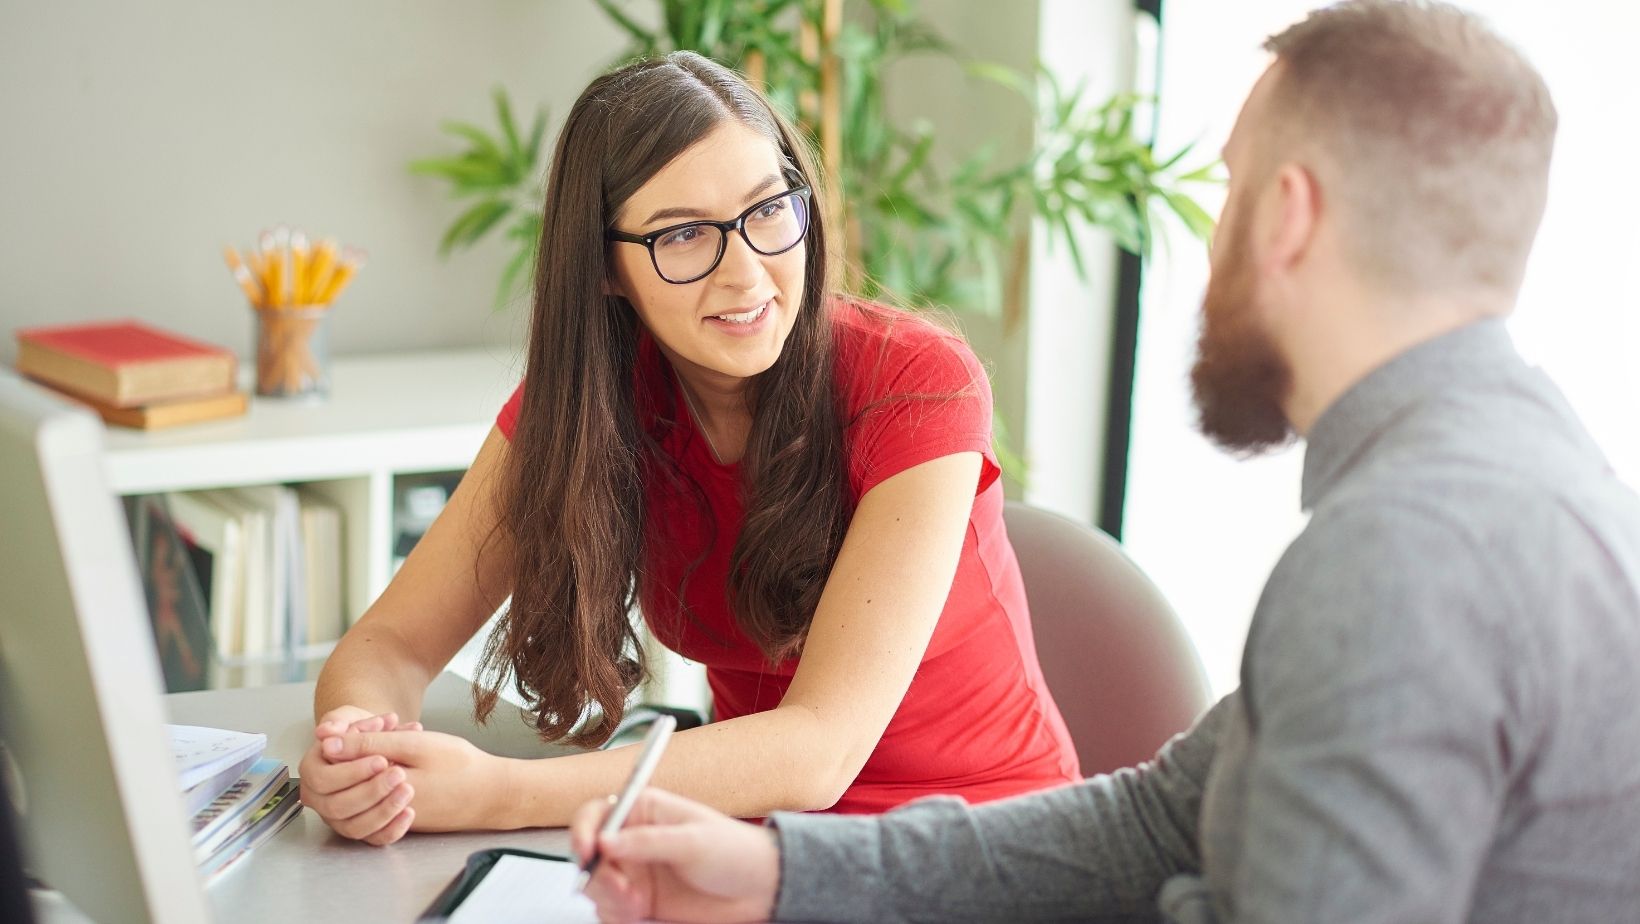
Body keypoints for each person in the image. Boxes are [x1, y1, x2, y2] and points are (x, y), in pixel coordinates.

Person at [567, 2, 1640, 921]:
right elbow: (1163, 816)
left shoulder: (1405, 560)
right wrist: (780, 874)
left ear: (1287, 215)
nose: (1205, 239)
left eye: (1225, 191)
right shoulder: (1511, 474)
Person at [296, 50, 1083, 845]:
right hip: (754, 845)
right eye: (682, 235)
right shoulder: (588, 411)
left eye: (768, 211)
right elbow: (388, 645)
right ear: (606, 267)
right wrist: (361, 752)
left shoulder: (915, 385)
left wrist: (497, 793)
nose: (747, 275)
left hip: (985, 843)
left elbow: (821, 750)